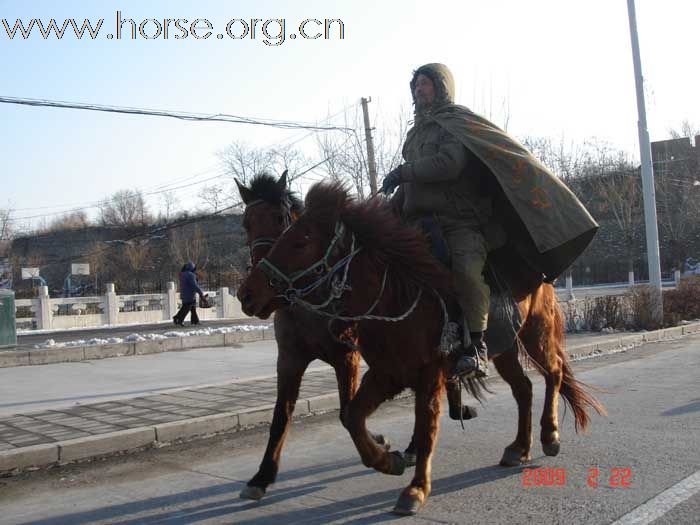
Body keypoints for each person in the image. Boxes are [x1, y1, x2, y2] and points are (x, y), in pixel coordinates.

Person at [382, 63, 598, 380]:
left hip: (459, 222)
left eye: (425, 84)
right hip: (420, 221)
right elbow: (415, 182)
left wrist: (403, 172)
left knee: (467, 272)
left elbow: (449, 165)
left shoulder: (455, 123)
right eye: (415, 86)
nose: (418, 90)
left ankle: (476, 347)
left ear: (441, 87)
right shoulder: (415, 135)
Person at [173, 261, 205, 326]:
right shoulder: (191, 275)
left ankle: (195, 321)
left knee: (191, 307)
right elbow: (194, 285)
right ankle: (179, 320)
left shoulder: (182, 274)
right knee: (186, 308)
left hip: (184, 293)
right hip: (190, 294)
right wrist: (201, 293)